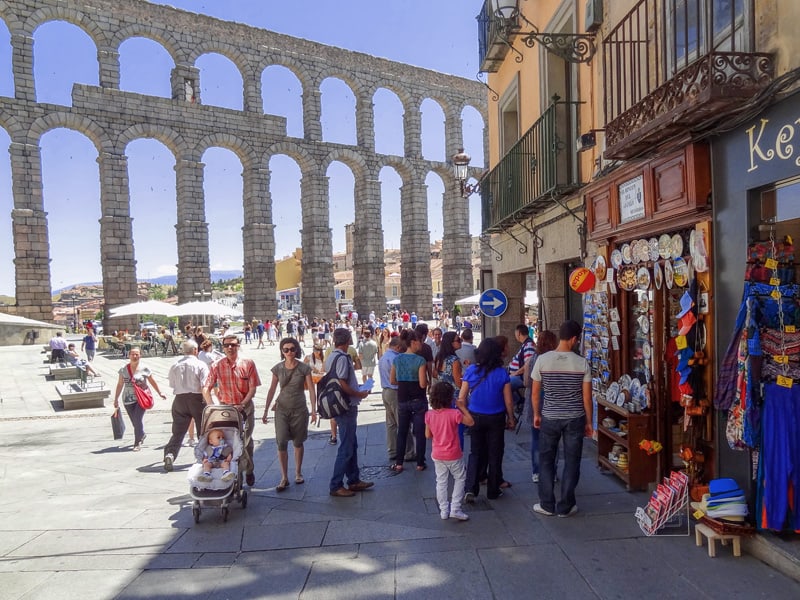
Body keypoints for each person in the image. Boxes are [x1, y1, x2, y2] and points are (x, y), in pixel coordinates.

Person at [531, 320, 593, 518]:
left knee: (547, 460)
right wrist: (590, 422)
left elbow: (534, 394)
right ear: (574, 339)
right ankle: (566, 505)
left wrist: (537, 414)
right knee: (572, 461)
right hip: (575, 417)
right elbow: (586, 397)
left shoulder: (542, 359)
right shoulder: (582, 362)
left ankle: (547, 504)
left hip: (549, 416)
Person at [460, 337, 515, 503]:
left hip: (475, 416)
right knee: (495, 453)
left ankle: (470, 488)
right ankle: (493, 489)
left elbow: (461, 398)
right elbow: (508, 400)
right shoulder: (502, 373)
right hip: (496, 418)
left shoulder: (471, 371)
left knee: (475, 452)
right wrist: (511, 418)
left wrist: (466, 414)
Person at [202, 334, 261, 487]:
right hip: (226, 410)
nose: (230, 348)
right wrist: (211, 406)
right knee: (230, 442)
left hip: (245, 409)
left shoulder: (248, 364)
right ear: (223, 347)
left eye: (233, 345)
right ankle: (235, 472)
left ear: (238, 346)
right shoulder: (216, 365)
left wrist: (243, 403)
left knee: (245, 441)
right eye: (227, 345)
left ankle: (248, 470)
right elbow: (206, 387)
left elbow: (252, 389)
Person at [262, 337, 317, 491]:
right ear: (282, 351)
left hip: (299, 409)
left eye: (292, 349)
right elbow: (272, 390)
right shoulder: (277, 369)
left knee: (298, 442)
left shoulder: (304, 368)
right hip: (281, 410)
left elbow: (312, 390)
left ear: (296, 350)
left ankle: (298, 473)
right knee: (281, 442)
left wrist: (314, 410)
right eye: (285, 349)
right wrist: (266, 410)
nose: (289, 352)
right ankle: (284, 477)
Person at [326, 327, 374, 497]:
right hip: (345, 406)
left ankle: (354, 480)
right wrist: (359, 393)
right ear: (348, 341)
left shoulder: (331, 355)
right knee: (346, 446)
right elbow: (341, 382)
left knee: (351, 444)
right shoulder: (342, 358)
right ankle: (336, 485)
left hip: (339, 405)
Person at [425, 381, 474, 521]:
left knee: (441, 481)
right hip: (453, 454)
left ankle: (444, 510)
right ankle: (455, 508)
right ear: (450, 398)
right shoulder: (454, 414)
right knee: (460, 478)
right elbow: (470, 422)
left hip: (437, 454)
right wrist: (462, 408)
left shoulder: (429, 415)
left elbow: (428, 435)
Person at [163, 340, 209, 472]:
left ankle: (170, 454)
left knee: (178, 431)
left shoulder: (175, 365)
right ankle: (203, 457)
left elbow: (172, 384)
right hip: (197, 399)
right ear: (195, 350)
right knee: (203, 430)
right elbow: (204, 384)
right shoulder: (201, 364)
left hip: (179, 399)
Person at [389, 329, 429, 472]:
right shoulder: (420, 360)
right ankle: (420, 463)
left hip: (402, 398)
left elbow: (392, 380)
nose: (422, 344)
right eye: (420, 341)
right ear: (413, 342)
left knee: (402, 431)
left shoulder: (397, 359)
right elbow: (423, 384)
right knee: (419, 432)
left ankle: (399, 463)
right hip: (418, 399)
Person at [113, 347, 167, 451]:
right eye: (132, 354)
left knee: (137, 419)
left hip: (141, 398)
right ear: (129, 355)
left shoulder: (145, 368)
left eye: (137, 354)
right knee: (135, 422)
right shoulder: (123, 369)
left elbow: (152, 381)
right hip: (127, 399)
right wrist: (116, 399)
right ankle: (141, 434)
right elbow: (120, 384)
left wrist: (160, 392)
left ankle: (137, 443)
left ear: (140, 356)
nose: (134, 356)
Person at [524, 330, 558, 483]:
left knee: (536, 439)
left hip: (536, 403)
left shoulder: (533, 360)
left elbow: (527, 383)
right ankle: (552, 471)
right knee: (554, 440)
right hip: (553, 404)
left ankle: (537, 471)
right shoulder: (557, 360)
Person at [378, 335, 415, 464]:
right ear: (398, 347)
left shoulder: (383, 357)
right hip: (395, 391)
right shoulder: (396, 358)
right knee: (402, 423)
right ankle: (409, 452)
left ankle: (393, 450)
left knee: (391, 423)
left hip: (385, 391)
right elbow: (400, 377)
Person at [509, 324, 535, 393]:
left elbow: (528, 365)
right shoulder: (526, 344)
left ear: (519, 333)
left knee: (504, 385)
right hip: (517, 375)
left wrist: (515, 373)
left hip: (521, 377)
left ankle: (515, 401)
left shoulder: (528, 345)